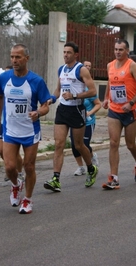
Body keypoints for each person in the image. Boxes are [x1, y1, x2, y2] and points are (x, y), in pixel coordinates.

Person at [0, 43, 51, 214]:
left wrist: (39, 112)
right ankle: (16, 185)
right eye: (12, 56)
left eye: (18, 57)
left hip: (30, 130)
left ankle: (28, 199)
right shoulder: (4, 78)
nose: (14, 60)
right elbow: (0, 97)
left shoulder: (37, 81)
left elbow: (46, 106)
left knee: (29, 166)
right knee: (10, 167)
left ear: (27, 58)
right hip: (10, 129)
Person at [43, 42, 99, 192]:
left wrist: (74, 95)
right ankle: (56, 179)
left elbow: (93, 91)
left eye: (68, 52)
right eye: (64, 52)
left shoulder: (81, 70)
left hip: (76, 110)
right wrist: (51, 99)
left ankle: (91, 168)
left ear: (76, 54)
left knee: (79, 145)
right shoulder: (61, 69)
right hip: (62, 110)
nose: (65, 55)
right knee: (59, 144)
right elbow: (58, 90)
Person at [101, 39, 136, 190]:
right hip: (114, 109)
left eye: (121, 49)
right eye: (116, 49)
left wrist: (131, 103)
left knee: (130, 144)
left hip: (130, 110)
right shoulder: (110, 65)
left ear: (127, 51)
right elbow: (110, 82)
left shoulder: (132, 65)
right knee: (113, 143)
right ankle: (114, 178)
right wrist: (107, 98)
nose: (118, 52)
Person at [0, 63, 24, 181]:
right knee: (1, 150)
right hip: (3, 121)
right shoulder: (2, 83)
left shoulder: (18, 86)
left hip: (15, 121)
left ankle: (19, 171)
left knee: (13, 150)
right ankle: (11, 167)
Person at [71, 60, 101, 176]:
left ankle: (92, 156)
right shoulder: (75, 87)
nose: (87, 68)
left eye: (89, 66)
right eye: (85, 66)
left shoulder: (90, 88)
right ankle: (80, 167)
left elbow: (98, 104)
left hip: (88, 122)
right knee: (74, 145)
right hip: (74, 119)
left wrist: (89, 113)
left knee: (84, 143)